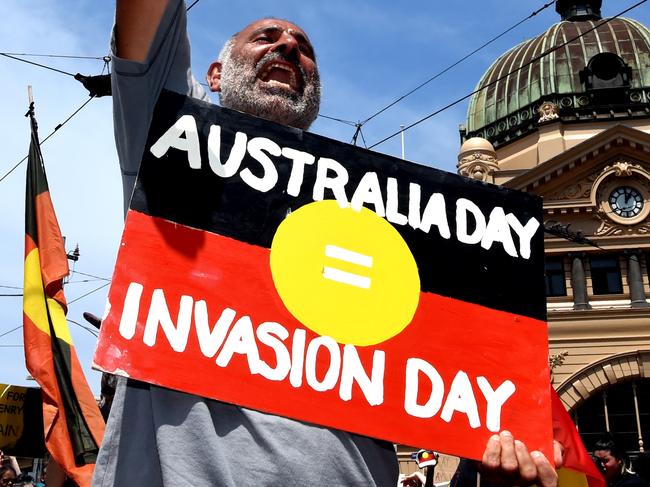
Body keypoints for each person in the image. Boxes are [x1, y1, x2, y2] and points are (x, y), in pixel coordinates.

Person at [93, 1, 560, 485]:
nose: (289, 45)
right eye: (266, 36)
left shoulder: (381, 219)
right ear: (215, 74)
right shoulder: (173, 144)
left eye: (305, 48)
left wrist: (494, 465)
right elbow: (146, 25)